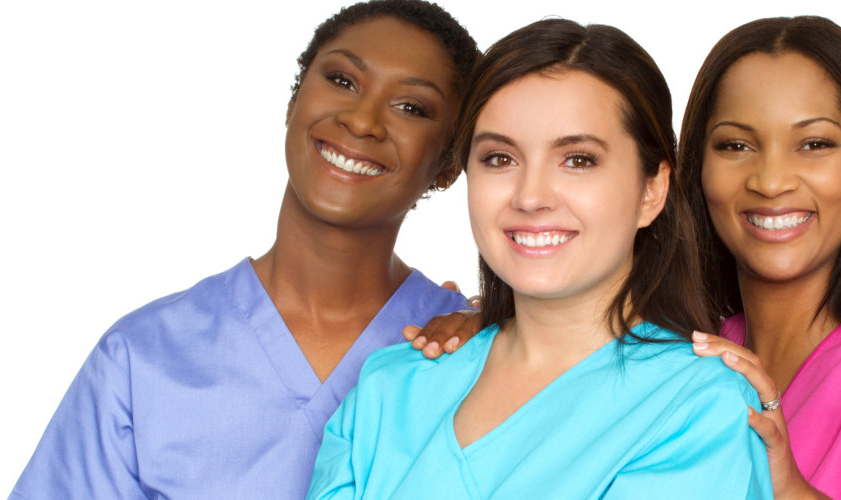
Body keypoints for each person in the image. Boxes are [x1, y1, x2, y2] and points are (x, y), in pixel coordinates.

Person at [407, 15, 841, 500]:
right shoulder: (696, 349)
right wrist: (492, 334)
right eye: (736, 145)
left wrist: (790, 488)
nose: (771, 180)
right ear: (689, 172)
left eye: (814, 144)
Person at [9, 2, 477, 498]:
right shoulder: (141, 358)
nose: (362, 120)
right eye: (342, 80)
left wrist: (521, 326)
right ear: (294, 100)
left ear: (449, 164)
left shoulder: (479, 351)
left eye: (411, 107)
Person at [309, 18, 772, 500]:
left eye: (578, 159)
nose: (531, 197)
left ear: (651, 190)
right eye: (499, 158)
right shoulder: (390, 388)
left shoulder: (700, 406)